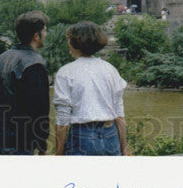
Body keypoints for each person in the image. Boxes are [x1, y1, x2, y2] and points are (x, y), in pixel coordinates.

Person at [0, 10, 50, 155]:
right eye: (44, 31)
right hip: (20, 143)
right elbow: (39, 108)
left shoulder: (2, 58)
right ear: (36, 36)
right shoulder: (35, 63)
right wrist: (42, 144)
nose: (46, 34)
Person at [53, 21, 129, 156]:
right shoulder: (110, 69)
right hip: (110, 135)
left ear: (74, 43)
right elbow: (119, 115)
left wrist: (58, 152)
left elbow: (63, 119)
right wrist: (124, 149)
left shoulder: (66, 72)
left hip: (82, 137)